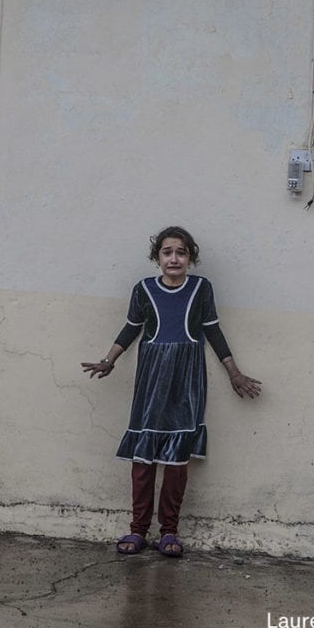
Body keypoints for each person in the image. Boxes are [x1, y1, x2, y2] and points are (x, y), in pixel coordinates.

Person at [82, 226, 261, 557]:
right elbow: (132, 328)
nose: (174, 258)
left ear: (190, 257)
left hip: (186, 379)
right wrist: (109, 360)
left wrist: (233, 372)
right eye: (167, 252)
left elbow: (212, 330)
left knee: (177, 460)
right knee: (143, 456)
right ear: (157, 258)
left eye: (181, 252)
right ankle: (137, 530)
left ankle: (169, 531)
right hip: (151, 379)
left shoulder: (200, 288)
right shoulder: (144, 290)